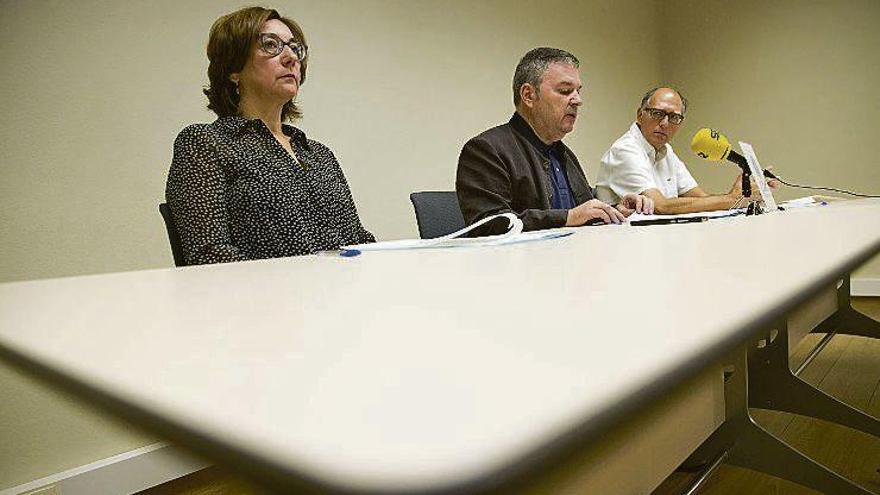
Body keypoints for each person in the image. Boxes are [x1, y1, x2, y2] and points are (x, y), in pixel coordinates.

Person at [166, 7, 374, 265]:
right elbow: (210, 254)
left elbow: (358, 240)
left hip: (344, 296)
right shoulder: (205, 143)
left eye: (295, 48)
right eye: (270, 45)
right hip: (265, 301)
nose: (290, 58)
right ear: (233, 68)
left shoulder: (320, 154)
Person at [456, 47, 652, 236]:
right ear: (528, 95)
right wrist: (568, 217)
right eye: (566, 91)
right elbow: (489, 225)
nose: (577, 101)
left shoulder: (565, 154)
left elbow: (580, 214)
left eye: (578, 91)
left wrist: (615, 210)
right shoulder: (486, 150)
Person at [595, 87, 768, 214]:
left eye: (674, 117)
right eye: (657, 113)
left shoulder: (666, 151)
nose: (665, 123)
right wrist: (732, 199)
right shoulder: (625, 150)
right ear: (640, 115)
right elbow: (660, 206)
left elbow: (701, 198)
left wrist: (739, 195)